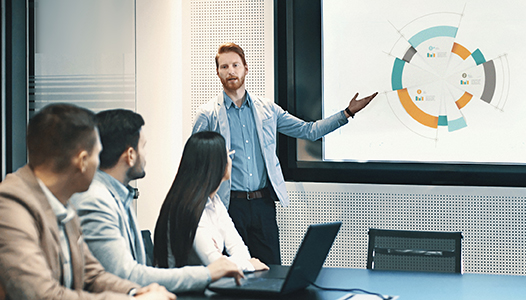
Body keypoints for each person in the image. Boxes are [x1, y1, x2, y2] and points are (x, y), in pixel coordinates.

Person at [0, 103, 175, 300]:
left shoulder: (62, 205)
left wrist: (136, 291)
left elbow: (92, 275)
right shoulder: (7, 208)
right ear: (82, 161)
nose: (100, 164)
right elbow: (42, 295)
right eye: (97, 156)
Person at [192, 42, 377, 265]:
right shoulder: (207, 114)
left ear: (246, 68)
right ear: (218, 72)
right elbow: (195, 163)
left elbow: (308, 131)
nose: (231, 71)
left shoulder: (268, 109)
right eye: (224, 67)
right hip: (229, 204)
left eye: (235, 65)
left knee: (270, 269)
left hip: (263, 204)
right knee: (233, 271)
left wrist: (346, 113)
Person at [71, 109, 244, 293]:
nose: (145, 155)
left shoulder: (119, 195)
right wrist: (208, 273)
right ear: (130, 155)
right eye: (143, 147)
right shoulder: (96, 200)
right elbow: (126, 275)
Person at [153, 131, 269, 273]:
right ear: (217, 165)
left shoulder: (214, 202)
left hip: (205, 286)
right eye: (228, 155)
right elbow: (214, 264)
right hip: (185, 292)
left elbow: (239, 247)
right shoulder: (189, 208)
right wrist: (248, 265)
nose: (231, 161)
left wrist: (240, 262)